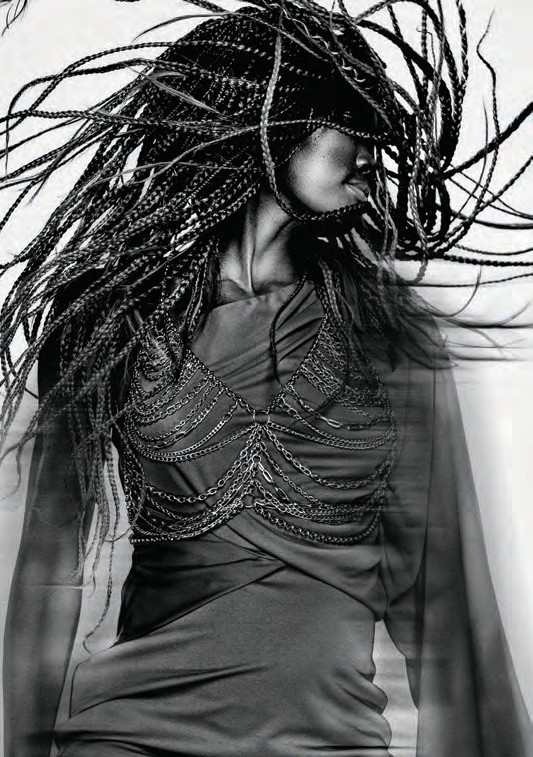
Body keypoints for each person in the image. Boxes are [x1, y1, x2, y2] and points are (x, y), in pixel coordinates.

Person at [1, 1, 532, 755]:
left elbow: (447, 599)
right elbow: (49, 577)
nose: (370, 148)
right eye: (342, 119)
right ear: (260, 125)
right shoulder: (111, 321)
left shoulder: (388, 333)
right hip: (129, 736)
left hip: (329, 741)